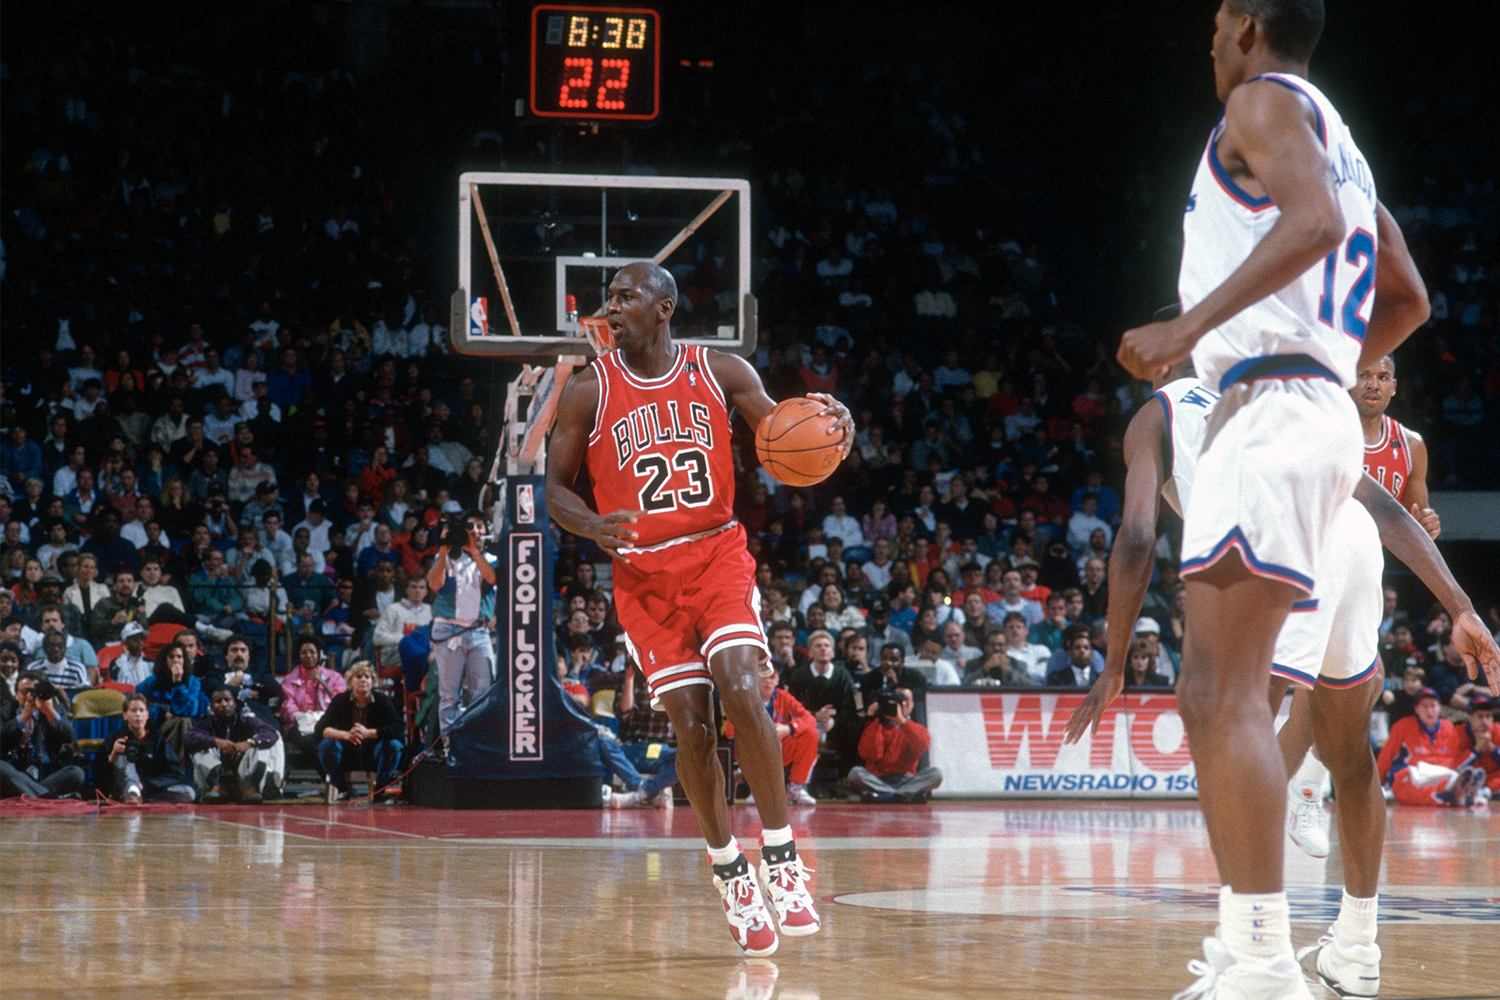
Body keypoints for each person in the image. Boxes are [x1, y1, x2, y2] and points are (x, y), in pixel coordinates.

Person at [1113, 3, 1435, 994]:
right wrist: (1334, 364)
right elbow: (1409, 296)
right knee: (1216, 694)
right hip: (1312, 408)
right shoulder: (1345, 140)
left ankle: (1258, 964)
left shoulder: (1260, 103)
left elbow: (1315, 225)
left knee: (1224, 696)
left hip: (1271, 412)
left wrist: (1186, 329)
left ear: (1250, 25)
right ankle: (1259, 955)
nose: (1208, 39)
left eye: (1216, 21)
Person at [546, 261, 850, 955]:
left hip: (715, 553)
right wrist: (588, 524)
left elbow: (783, 432)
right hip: (643, 577)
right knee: (690, 726)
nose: (612, 305)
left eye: (627, 295)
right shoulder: (588, 390)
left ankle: (781, 856)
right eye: (610, 296)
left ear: (665, 307)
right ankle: (729, 871)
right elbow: (553, 489)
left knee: (744, 689)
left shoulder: (720, 370)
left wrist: (830, 425)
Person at [425, 511, 495, 750]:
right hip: (448, 630)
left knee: (482, 693)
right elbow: (434, 584)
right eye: (469, 527)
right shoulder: (444, 555)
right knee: (449, 694)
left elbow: (492, 578)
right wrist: (444, 550)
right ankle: (449, 746)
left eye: (478, 526)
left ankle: (479, 744)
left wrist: (474, 550)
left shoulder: (491, 556)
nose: (473, 531)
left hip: (478, 631)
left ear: (486, 530)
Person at [725, 663, 819, 807]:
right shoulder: (742, 698)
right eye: (763, 676)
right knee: (746, 742)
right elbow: (730, 732)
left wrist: (788, 728)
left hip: (780, 748)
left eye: (772, 677)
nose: (768, 681)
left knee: (811, 734)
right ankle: (757, 790)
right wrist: (760, 732)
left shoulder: (784, 697)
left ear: (777, 680)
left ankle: (795, 789)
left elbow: (810, 719)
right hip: (753, 751)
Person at [1375, 687, 1486, 807]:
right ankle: (1454, 796)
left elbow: (1456, 760)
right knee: (1404, 786)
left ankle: (1456, 793)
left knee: (1451, 777)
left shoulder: (1449, 727)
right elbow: (1386, 757)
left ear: (1439, 708)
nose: (1429, 711)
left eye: (1433, 706)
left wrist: (1474, 751)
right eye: (1424, 706)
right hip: (1411, 774)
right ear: (1416, 709)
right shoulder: (1402, 726)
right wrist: (1377, 785)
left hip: (1439, 774)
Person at [315, 660, 404, 802]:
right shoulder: (340, 700)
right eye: (359, 676)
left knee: (394, 745)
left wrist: (369, 733)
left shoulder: (382, 701)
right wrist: (346, 735)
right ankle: (343, 789)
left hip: (373, 754)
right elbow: (320, 729)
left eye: (367, 677)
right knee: (326, 745)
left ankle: (380, 790)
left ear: (372, 681)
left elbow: (399, 729)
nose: (363, 680)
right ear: (350, 680)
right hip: (347, 753)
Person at [184, 686, 283, 802]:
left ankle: (254, 787)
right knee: (199, 747)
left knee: (262, 743)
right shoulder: (207, 724)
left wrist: (249, 743)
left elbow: (270, 733)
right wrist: (216, 741)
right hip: (218, 775)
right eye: (218, 702)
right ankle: (215, 786)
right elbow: (188, 738)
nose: (224, 704)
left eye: (227, 700)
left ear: (234, 704)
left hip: (244, 776)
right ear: (211, 707)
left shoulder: (247, 720)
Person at [99, 692, 197, 803]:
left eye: (141, 710)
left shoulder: (157, 740)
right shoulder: (115, 738)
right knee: (121, 757)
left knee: (188, 792)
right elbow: (100, 777)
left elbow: (176, 774)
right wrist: (113, 754)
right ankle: (132, 791)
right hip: (124, 787)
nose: (138, 715)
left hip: (149, 788)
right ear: (125, 715)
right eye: (133, 711)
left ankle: (141, 798)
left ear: (147, 715)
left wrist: (146, 784)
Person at [848, 687, 942, 803]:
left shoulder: (917, 728)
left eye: (906, 699)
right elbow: (871, 755)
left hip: (906, 779)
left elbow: (920, 747)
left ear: (911, 705)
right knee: (855, 773)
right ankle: (904, 795)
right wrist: (873, 719)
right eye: (897, 700)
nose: (902, 704)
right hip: (878, 778)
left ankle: (886, 795)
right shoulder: (876, 725)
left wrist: (902, 721)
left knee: (936, 774)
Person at [0, 671, 86, 799]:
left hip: (48, 773)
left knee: (76, 773)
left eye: (35, 691)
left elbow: (70, 736)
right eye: (25, 691)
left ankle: (33, 795)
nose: (31, 696)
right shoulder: (6, 712)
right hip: (16, 773)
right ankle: (49, 797)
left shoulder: (54, 710)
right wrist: (25, 715)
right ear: (17, 695)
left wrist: (49, 712)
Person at [278, 636, 347, 770]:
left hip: (326, 722)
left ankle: (333, 780)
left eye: (312, 652)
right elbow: (287, 704)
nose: (308, 656)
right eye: (304, 652)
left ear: (319, 654)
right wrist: (302, 718)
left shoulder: (333, 676)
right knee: (307, 743)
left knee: (325, 741)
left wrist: (322, 682)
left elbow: (342, 702)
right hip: (298, 723)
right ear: (298, 655)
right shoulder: (290, 678)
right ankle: (333, 778)